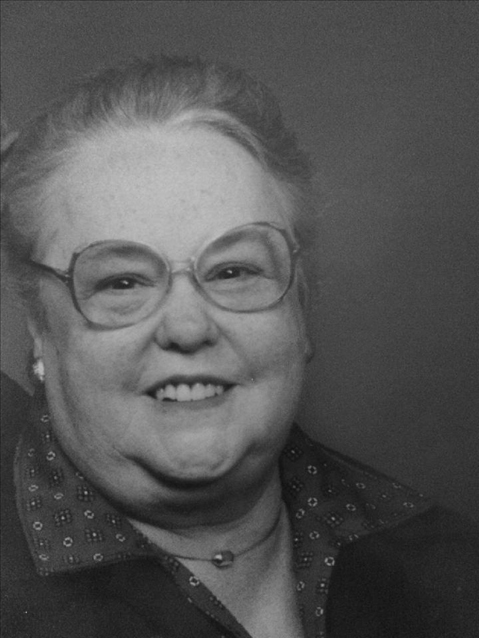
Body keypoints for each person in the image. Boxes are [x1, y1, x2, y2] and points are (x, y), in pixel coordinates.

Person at [1, 55, 478, 638]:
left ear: (301, 306)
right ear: (39, 329)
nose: (188, 327)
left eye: (233, 271)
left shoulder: (453, 573)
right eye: (122, 282)